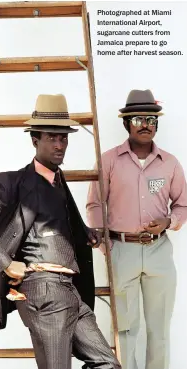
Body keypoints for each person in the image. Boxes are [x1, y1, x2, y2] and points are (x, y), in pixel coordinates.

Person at [0, 94, 121, 369]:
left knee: (107, 363)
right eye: (52, 138)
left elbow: (57, 220)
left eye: (64, 138)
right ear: (35, 140)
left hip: (71, 292)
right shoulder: (14, 182)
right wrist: (5, 264)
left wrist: (84, 234)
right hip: (44, 290)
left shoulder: (58, 180)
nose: (60, 145)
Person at [86, 89, 187, 369]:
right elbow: (95, 204)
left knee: (160, 331)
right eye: (138, 119)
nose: (146, 124)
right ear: (126, 123)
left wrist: (169, 221)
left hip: (159, 252)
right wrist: (107, 246)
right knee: (124, 330)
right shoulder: (108, 161)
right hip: (122, 251)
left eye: (151, 119)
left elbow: (183, 205)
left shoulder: (170, 164)